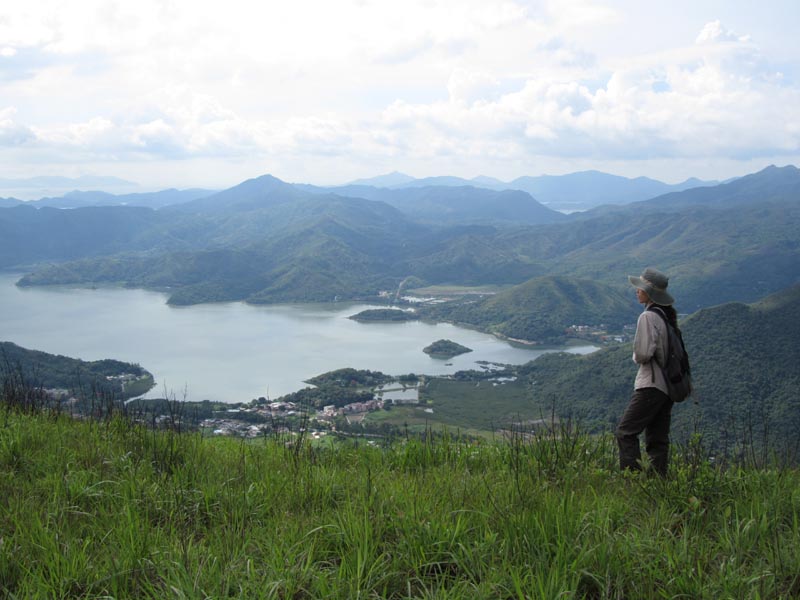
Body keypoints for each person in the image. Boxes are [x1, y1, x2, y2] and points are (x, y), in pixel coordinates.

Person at [616, 267, 679, 476]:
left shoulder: (648, 317)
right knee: (657, 438)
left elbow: (642, 354)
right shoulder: (665, 315)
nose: (636, 291)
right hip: (668, 387)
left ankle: (631, 480)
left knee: (625, 432)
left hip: (651, 384)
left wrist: (635, 356)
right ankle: (657, 482)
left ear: (649, 292)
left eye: (640, 288)